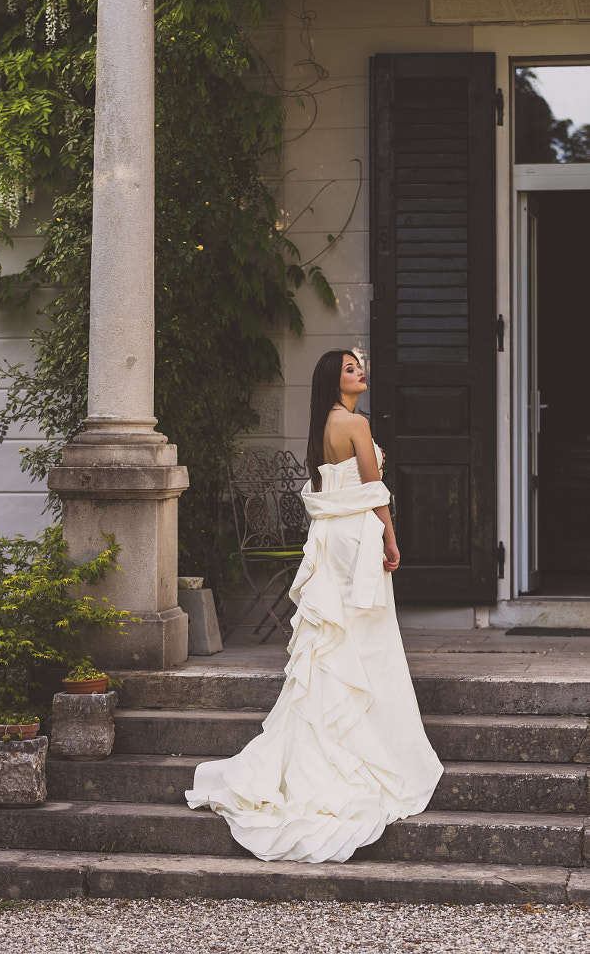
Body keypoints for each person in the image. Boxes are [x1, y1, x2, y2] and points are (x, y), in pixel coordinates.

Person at [185, 349, 443, 863]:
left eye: (360, 365)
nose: (360, 372)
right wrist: (391, 538)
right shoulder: (355, 424)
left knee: (333, 644)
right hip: (356, 537)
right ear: (334, 379)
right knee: (364, 642)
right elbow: (374, 489)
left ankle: (334, 737)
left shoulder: (323, 425)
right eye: (350, 368)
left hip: (332, 539)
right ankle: (365, 748)